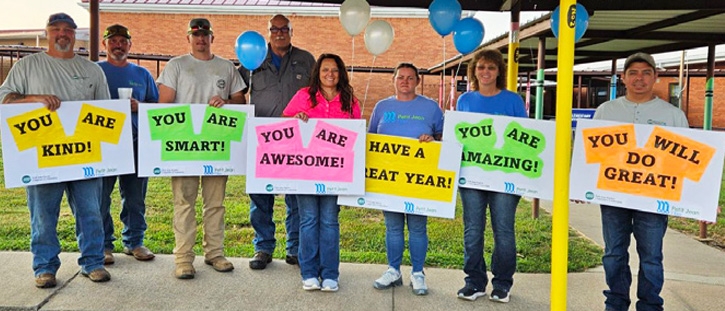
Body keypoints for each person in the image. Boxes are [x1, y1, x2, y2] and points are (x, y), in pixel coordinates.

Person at [0, 13, 112, 287]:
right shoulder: (28, 66)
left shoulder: (92, 70)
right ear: (48, 33)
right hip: (42, 157)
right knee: (43, 214)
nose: (62, 34)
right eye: (56, 29)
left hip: (84, 154)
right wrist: (34, 99)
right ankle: (44, 267)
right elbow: (5, 99)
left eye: (68, 30)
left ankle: (93, 263)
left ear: (75, 35)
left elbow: (107, 112)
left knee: (90, 211)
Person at [593, 52, 689, 311]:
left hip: (653, 199)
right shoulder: (606, 111)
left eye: (646, 72)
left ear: (656, 77)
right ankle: (616, 302)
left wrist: (699, 198)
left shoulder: (672, 115)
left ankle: (649, 305)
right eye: (633, 72)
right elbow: (590, 154)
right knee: (613, 253)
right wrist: (584, 185)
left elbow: (689, 161)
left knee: (651, 258)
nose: (640, 78)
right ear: (623, 78)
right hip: (613, 196)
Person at [156, 17, 246, 279]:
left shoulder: (226, 67)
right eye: (195, 35)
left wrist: (226, 101)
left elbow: (241, 101)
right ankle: (183, 258)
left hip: (217, 144)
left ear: (212, 38)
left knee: (215, 203)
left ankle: (215, 253)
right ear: (189, 38)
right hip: (184, 146)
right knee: (184, 202)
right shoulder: (176, 66)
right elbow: (164, 106)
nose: (201, 39)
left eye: (205, 35)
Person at [237, 14, 316, 270]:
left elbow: (316, 96)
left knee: (295, 197)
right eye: (275, 29)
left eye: (284, 29)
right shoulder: (253, 60)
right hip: (262, 140)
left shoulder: (306, 60)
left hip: (296, 140)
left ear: (292, 31)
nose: (280, 33)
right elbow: (237, 95)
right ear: (268, 32)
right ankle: (263, 247)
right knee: (260, 197)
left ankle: (294, 249)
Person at [282, 53, 361, 292]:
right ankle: (308, 273)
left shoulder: (350, 100)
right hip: (305, 171)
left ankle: (329, 274)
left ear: (341, 74)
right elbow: (285, 126)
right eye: (325, 69)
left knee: (329, 221)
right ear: (318, 72)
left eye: (335, 70)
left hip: (335, 174)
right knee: (308, 220)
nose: (330, 74)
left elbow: (357, 134)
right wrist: (296, 119)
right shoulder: (304, 96)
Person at [455, 49, 528, 303]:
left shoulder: (513, 101)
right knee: (473, 230)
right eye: (481, 67)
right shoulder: (464, 100)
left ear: (499, 72)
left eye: (491, 68)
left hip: (505, 177)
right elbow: (458, 138)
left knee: (504, 231)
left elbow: (525, 140)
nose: (486, 72)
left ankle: (502, 283)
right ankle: (474, 282)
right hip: (472, 176)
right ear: (474, 71)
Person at [367, 63, 443, 296]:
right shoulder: (382, 106)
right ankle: (393, 270)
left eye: (411, 78)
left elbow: (443, 137)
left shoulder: (431, 108)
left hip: (420, 178)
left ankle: (418, 273)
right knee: (393, 226)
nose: (405, 82)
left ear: (418, 81)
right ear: (394, 80)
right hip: (389, 179)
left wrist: (432, 140)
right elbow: (371, 139)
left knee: (418, 226)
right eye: (401, 77)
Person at [98, 24, 158, 265]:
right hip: (103, 145)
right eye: (113, 41)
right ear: (105, 45)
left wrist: (139, 107)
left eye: (123, 41)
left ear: (130, 45)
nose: (118, 45)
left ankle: (134, 241)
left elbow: (156, 109)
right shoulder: (95, 71)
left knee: (135, 197)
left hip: (135, 143)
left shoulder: (142, 74)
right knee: (101, 197)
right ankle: (103, 245)